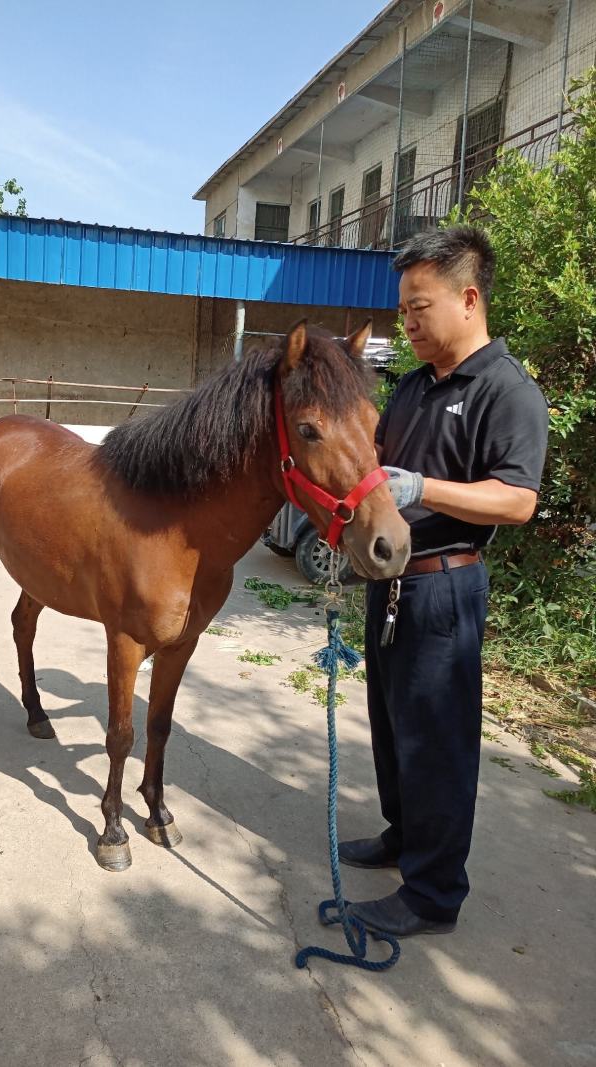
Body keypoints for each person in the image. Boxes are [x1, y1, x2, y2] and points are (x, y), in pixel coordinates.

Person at [342, 226, 549, 937]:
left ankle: (433, 894)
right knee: (393, 727)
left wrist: (425, 485)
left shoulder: (505, 390)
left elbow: (518, 499)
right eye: (402, 310)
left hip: (446, 588)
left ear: (468, 299)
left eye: (418, 307)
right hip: (391, 583)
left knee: (439, 741)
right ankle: (404, 838)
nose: (407, 322)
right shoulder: (412, 388)